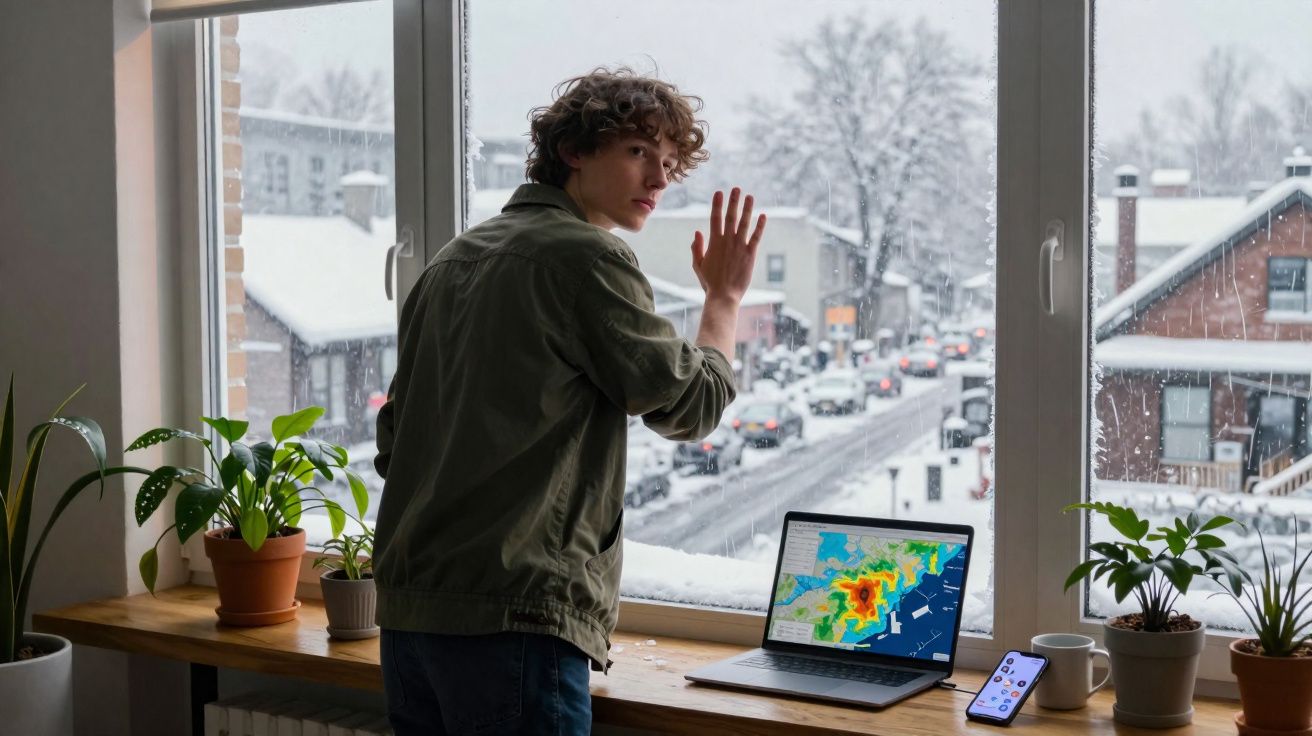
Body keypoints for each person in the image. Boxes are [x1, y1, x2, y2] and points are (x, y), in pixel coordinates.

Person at [371, 67, 767, 735]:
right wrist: (724, 299)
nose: (659, 180)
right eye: (639, 152)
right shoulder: (586, 259)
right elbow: (692, 405)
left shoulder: (451, 261)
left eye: (669, 164)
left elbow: (394, 445)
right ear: (573, 150)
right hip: (515, 623)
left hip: (411, 621)